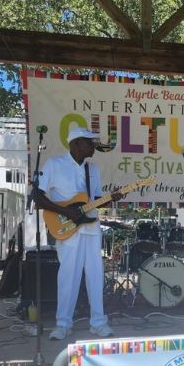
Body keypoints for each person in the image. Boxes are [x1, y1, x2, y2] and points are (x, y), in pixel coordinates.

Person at [35, 127, 124, 340]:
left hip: (91, 228)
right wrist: (66, 211)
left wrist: (110, 200)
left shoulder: (92, 169)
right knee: (69, 276)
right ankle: (63, 324)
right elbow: (38, 197)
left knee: (95, 275)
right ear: (76, 144)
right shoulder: (54, 164)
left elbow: (94, 200)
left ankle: (99, 322)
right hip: (67, 228)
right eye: (89, 142)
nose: (93, 146)